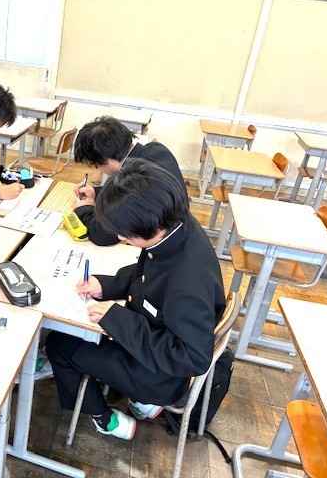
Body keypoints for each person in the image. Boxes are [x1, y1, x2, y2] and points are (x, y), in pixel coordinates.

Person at [45, 160, 225, 441]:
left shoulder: (186, 284)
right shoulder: (175, 226)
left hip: (158, 375)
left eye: (124, 233)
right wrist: (106, 285)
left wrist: (117, 319)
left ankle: (103, 417)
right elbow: (147, 271)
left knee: (59, 344)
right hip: (149, 345)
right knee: (74, 334)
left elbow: (191, 358)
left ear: (147, 226)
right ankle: (132, 399)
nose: (119, 236)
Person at [72, 116, 188, 246]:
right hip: (182, 232)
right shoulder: (155, 150)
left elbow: (102, 235)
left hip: (167, 245)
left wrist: (84, 208)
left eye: (95, 165)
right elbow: (124, 195)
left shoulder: (137, 179)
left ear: (106, 159)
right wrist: (96, 192)